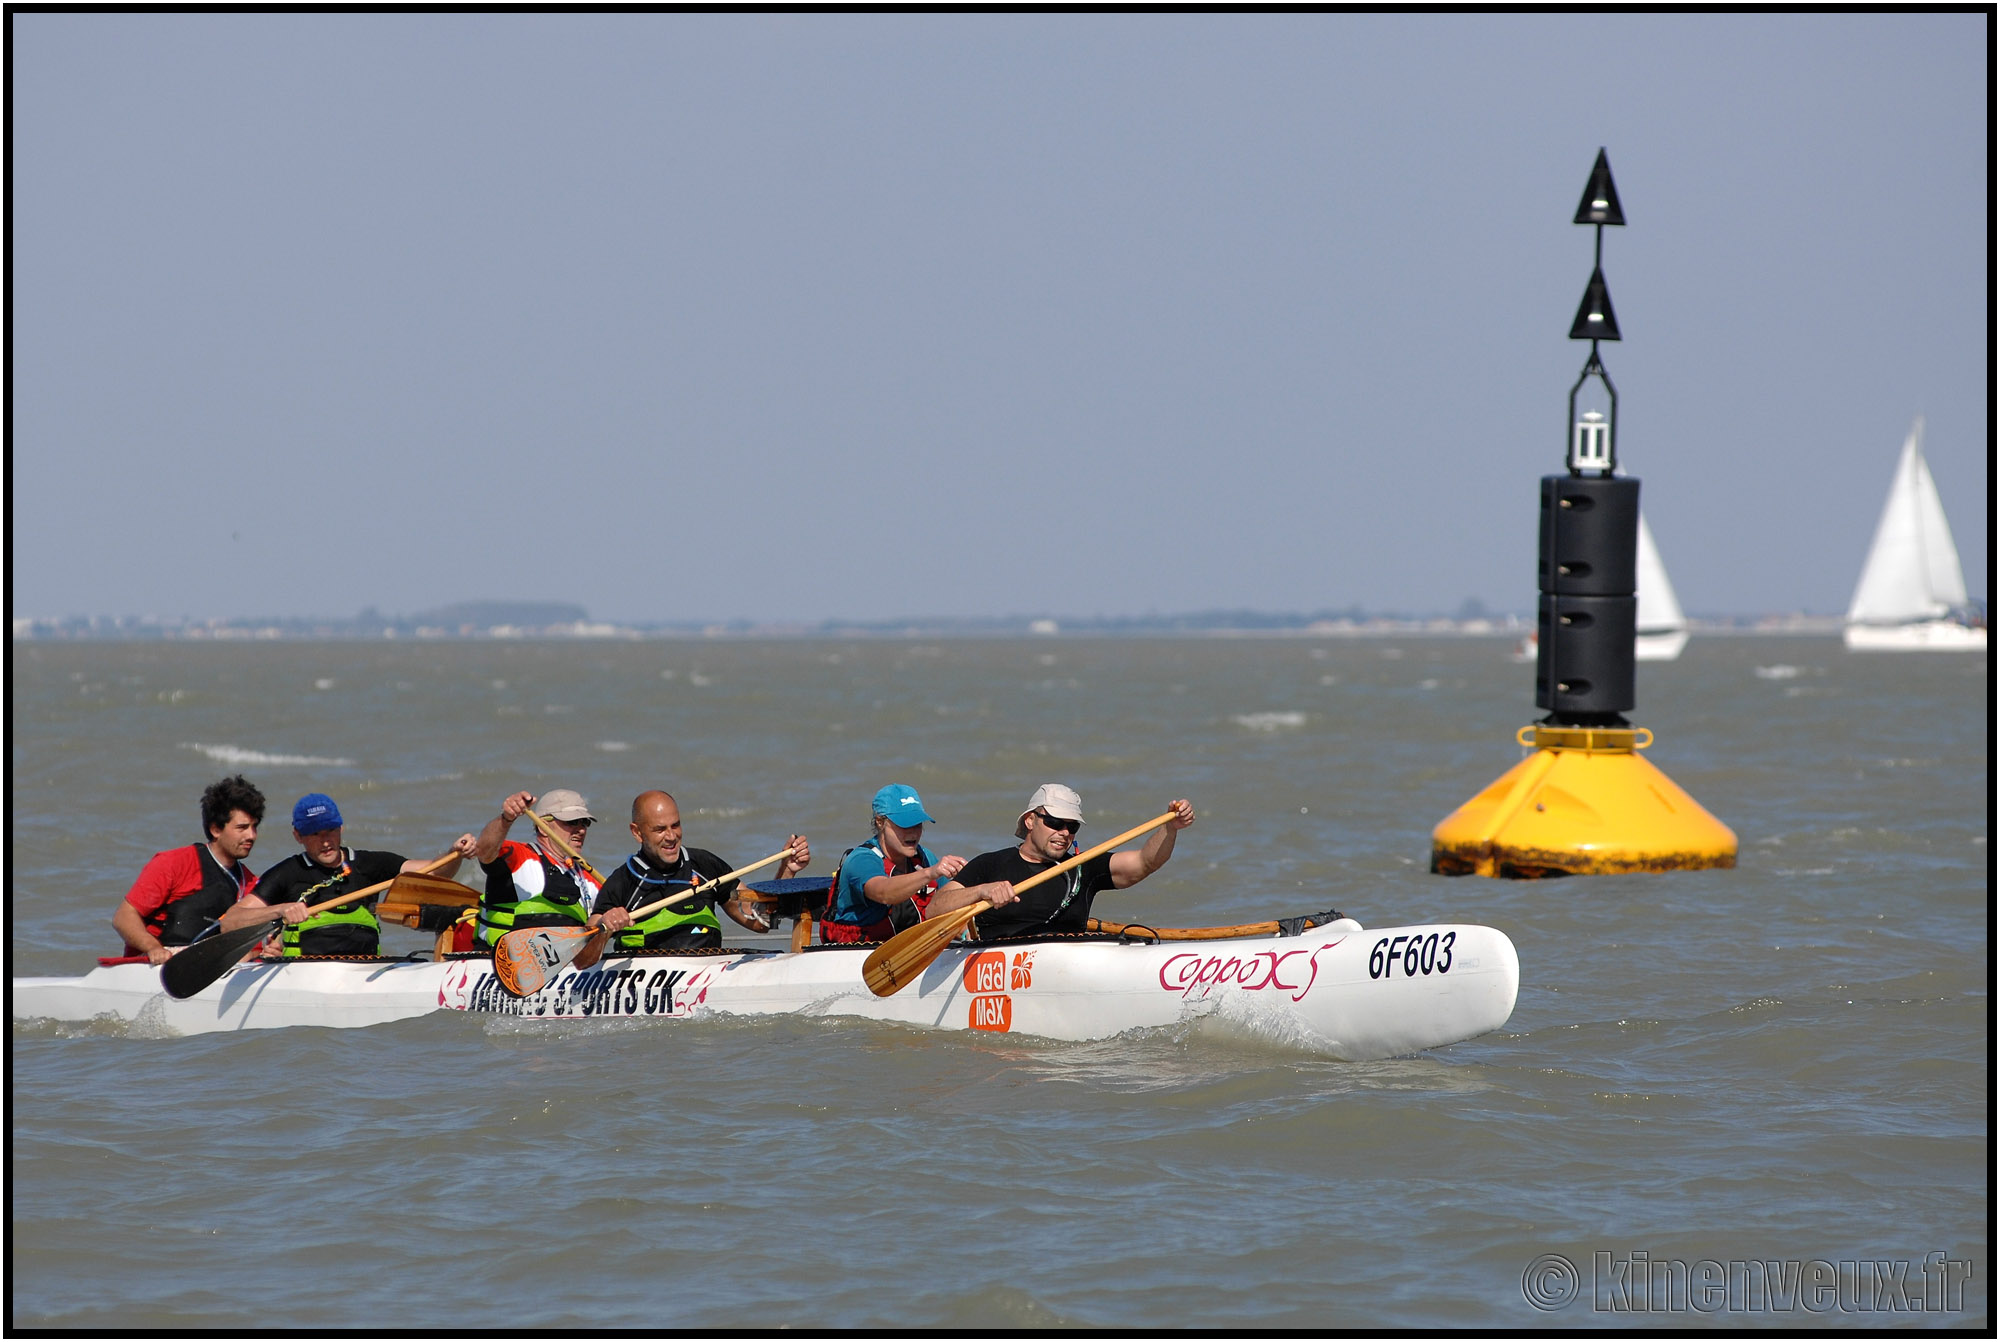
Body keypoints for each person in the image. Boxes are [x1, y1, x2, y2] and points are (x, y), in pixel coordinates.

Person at [224, 794, 478, 957]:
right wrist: (280, 910)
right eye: (315, 834)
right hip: (302, 974)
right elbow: (231, 921)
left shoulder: (370, 864)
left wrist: (454, 853)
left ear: (341, 827)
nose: (325, 842)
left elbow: (435, 873)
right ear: (298, 837)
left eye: (331, 831)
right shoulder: (286, 873)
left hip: (364, 968)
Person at [932, 784, 1196, 941]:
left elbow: (1144, 863)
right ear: (1030, 821)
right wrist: (981, 891)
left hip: (1065, 967)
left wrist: (1170, 828)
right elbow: (934, 911)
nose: (1064, 833)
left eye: (1072, 827)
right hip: (1001, 969)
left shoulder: (1083, 867)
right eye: (1055, 823)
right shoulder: (989, 865)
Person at [593, 790, 811, 951]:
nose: (671, 837)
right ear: (637, 833)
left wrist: (787, 871)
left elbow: (759, 922)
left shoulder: (705, 865)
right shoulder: (622, 882)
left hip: (710, 976)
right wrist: (605, 926)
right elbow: (582, 956)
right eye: (660, 829)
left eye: (675, 825)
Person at [112, 775, 270, 964]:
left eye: (254, 827)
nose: (251, 835)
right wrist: (153, 948)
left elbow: (251, 950)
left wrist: (264, 954)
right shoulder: (173, 863)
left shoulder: (250, 883)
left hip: (211, 969)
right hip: (158, 966)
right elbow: (123, 917)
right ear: (216, 830)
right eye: (242, 827)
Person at [473, 789, 633, 949]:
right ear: (543, 827)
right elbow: (484, 852)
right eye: (571, 822)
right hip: (496, 962)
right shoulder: (518, 857)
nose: (581, 830)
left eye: (585, 822)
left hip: (564, 967)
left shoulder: (590, 880)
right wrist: (506, 819)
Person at [819, 784, 972, 944]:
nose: (913, 832)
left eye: (918, 824)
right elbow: (884, 893)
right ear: (880, 822)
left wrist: (965, 930)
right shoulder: (861, 860)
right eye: (905, 825)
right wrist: (930, 873)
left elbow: (946, 907)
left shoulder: (925, 858)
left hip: (910, 952)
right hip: (856, 955)